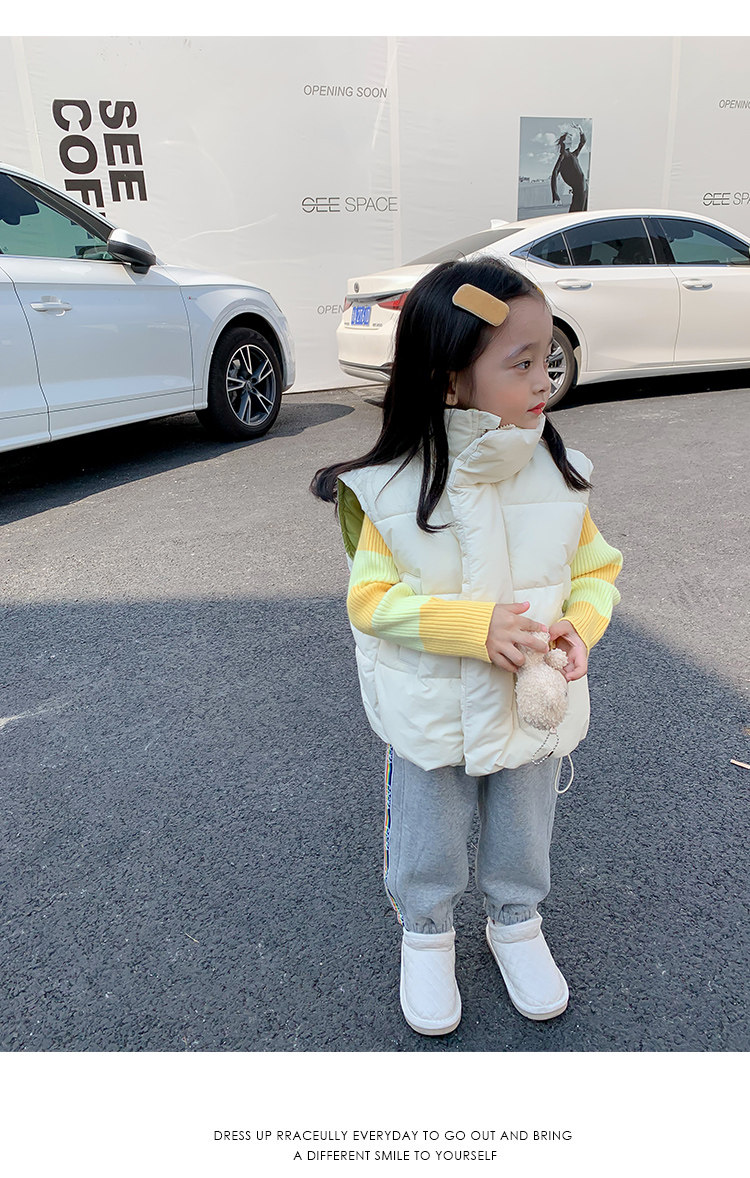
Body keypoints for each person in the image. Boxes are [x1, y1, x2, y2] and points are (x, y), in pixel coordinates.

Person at [311, 257, 622, 1036]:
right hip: (431, 709)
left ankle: (516, 924)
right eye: (520, 362)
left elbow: (597, 571)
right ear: (450, 378)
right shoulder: (390, 486)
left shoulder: (560, 475)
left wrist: (580, 627)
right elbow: (369, 601)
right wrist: (470, 627)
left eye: (546, 356)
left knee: (525, 829)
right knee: (429, 835)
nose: (543, 376)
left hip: (531, 703)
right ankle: (426, 934)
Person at [551, 123, 588, 212]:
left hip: (585, 188)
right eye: (568, 137)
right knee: (576, 214)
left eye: (571, 136)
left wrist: (580, 130)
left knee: (584, 215)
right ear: (564, 141)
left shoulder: (574, 154)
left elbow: (582, 142)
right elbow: (554, 173)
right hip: (579, 189)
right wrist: (555, 194)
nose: (571, 137)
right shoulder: (563, 155)